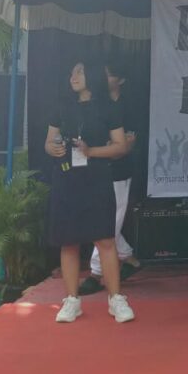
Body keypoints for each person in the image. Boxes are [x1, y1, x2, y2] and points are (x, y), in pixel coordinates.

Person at [45, 58, 135, 323]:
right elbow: (48, 142)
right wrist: (53, 148)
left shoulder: (108, 107)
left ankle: (116, 298)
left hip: (97, 177)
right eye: (72, 72)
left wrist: (91, 151)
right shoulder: (62, 106)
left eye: (80, 72)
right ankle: (72, 300)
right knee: (68, 241)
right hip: (66, 177)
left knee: (105, 239)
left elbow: (120, 146)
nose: (73, 76)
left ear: (93, 76)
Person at [79, 60, 141, 295]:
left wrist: (111, 148)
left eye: (109, 75)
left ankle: (96, 273)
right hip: (92, 169)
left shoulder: (127, 107)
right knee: (98, 220)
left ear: (121, 80)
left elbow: (128, 142)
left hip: (118, 171)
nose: (104, 79)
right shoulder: (93, 104)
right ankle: (129, 258)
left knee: (108, 223)